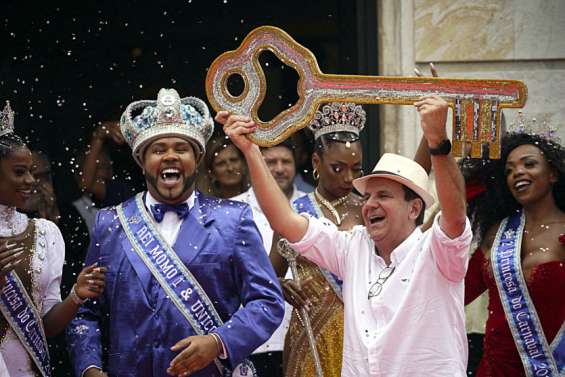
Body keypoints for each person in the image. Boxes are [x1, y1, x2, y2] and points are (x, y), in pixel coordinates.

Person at [218, 94, 472, 376]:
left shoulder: (437, 252)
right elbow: (284, 220)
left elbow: (455, 214)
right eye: (369, 195)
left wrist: (437, 141)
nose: (370, 203)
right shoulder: (354, 248)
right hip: (315, 345)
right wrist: (250, 150)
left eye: (383, 196)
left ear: (414, 209)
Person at [66, 88, 285, 377]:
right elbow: (84, 311)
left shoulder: (233, 220)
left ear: (197, 161)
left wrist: (219, 341)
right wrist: (89, 368)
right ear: (142, 162)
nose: (170, 157)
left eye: (181, 149)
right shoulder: (111, 224)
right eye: (159, 150)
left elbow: (267, 302)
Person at [0, 101, 106, 377]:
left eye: (33, 173)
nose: (30, 181)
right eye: (20, 172)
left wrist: (75, 297)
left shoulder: (45, 232)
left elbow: (44, 327)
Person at [268, 102, 366, 377]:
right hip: (309, 333)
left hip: (359, 331)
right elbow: (266, 277)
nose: (348, 178)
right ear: (315, 163)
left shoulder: (369, 209)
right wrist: (282, 285)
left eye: (356, 169)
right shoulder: (295, 213)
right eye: (337, 168)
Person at [464, 130, 565, 376]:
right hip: (495, 369)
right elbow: (460, 292)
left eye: (529, 164)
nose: (517, 172)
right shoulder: (497, 233)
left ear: (552, 173)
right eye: (509, 170)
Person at [231, 140, 305, 377]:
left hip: (303, 332)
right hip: (254, 337)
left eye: (286, 162)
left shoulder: (310, 205)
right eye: (271, 162)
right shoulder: (234, 210)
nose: (280, 168)